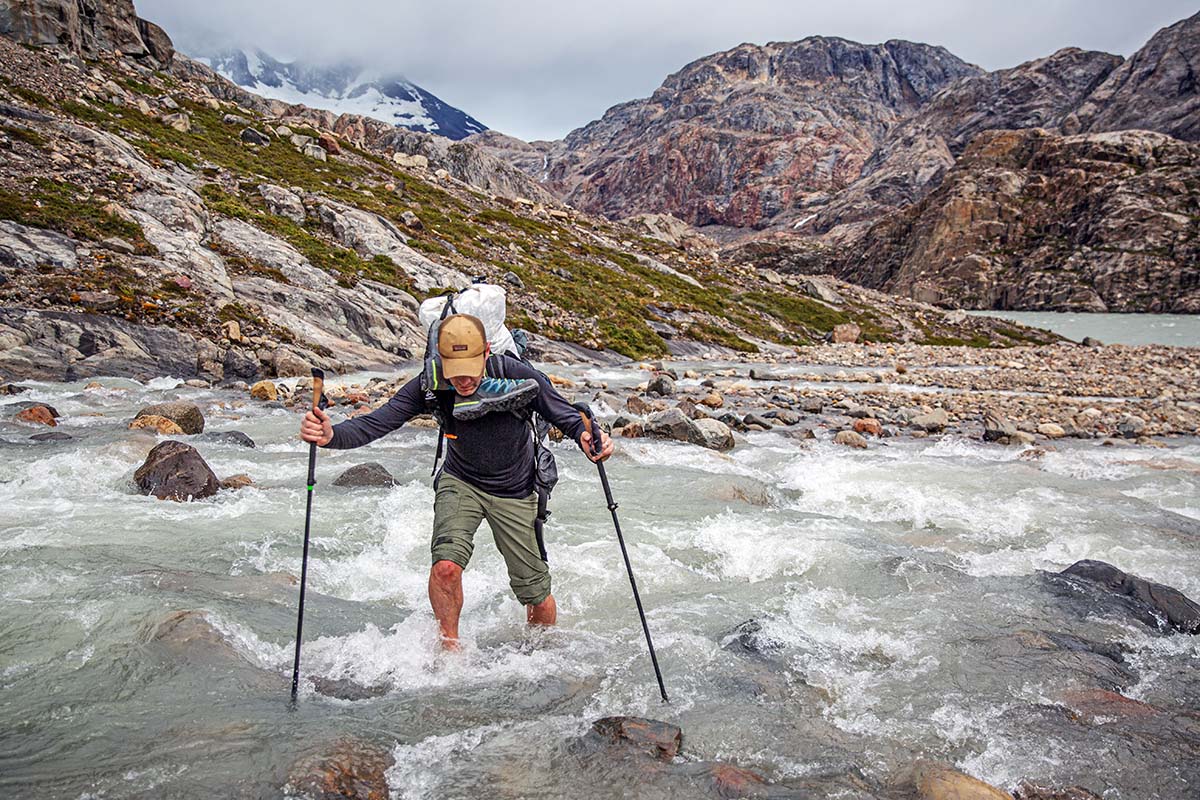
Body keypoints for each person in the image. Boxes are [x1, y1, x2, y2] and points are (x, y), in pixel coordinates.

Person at [299, 314, 613, 649]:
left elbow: (563, 414)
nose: (463, 379)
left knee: (534, 590)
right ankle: (450, 651)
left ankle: (542, 650)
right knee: (446, 567)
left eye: (470, 367)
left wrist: (587, 437)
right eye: (454, 369)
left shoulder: (516, 374)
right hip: (460, 480)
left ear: (486, 352)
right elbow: (379, 422)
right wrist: (331, 435)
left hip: (514, 489)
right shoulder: (430, 383)